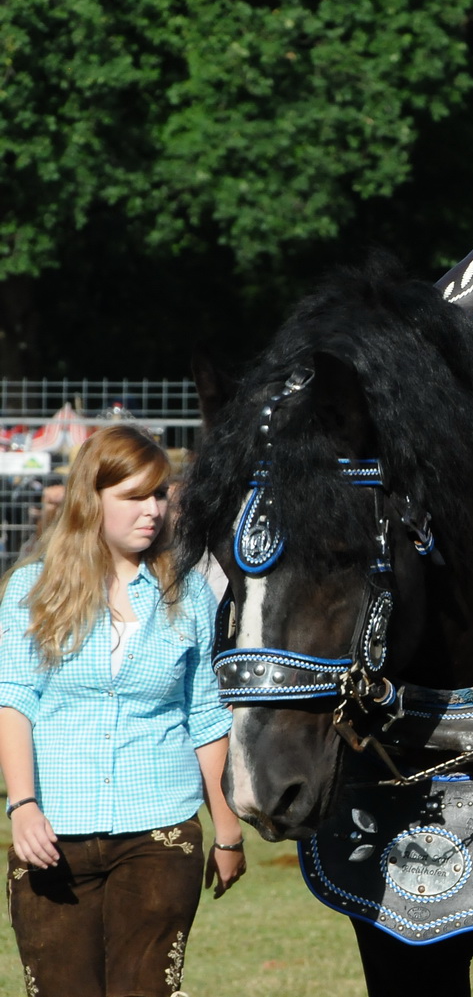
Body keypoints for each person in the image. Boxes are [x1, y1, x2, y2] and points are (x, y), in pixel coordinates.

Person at [0, 425, 243, 996]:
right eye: (134, 496)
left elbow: (206, 714)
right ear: (92, 500)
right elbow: (14, 703)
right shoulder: (32, 590)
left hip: (160, 830)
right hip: (52, 833)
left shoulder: (189, 594)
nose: (153, 511)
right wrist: (24, 807)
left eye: (159, 494)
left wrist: (227, 831)